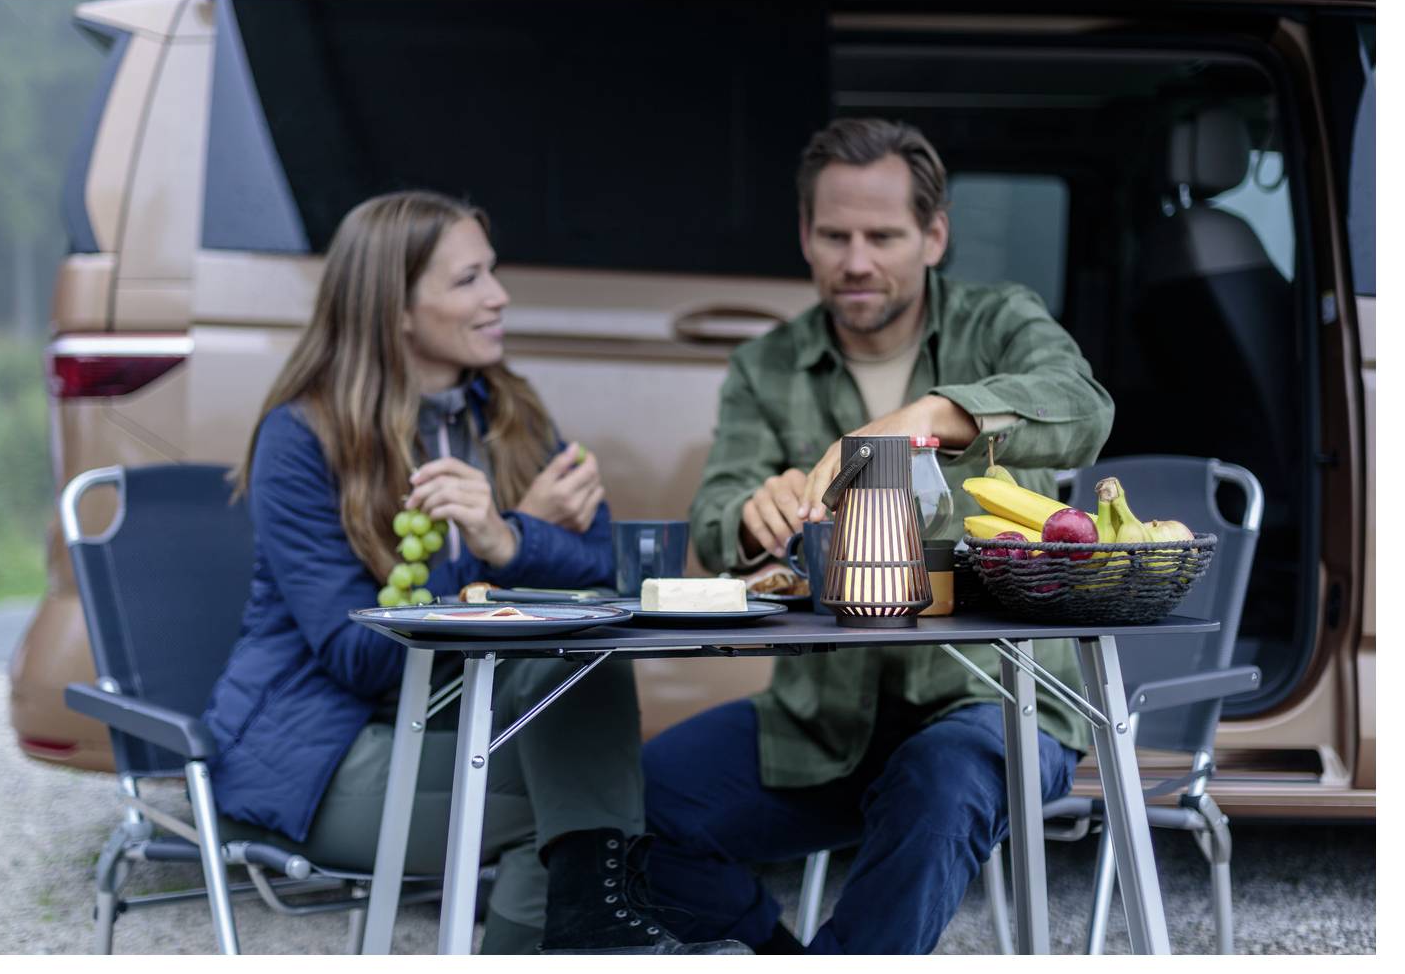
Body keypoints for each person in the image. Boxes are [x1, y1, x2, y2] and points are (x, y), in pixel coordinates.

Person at [200, 190, 746, 955]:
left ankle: (597, 931)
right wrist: (497, 549)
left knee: (580, 683)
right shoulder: (301, 438)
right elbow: (358, 659)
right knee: (581, 814)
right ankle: (602, 935)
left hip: (459, 723)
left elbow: (608, 579)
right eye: (468, 279)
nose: (499, 296)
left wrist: (510, 537)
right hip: (327, 752)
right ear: (394, 308)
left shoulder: (510, 410)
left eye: (491, 271)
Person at [640, 119, 1116, 953]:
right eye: (834, 236)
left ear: (934, 236)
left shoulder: (999, 319)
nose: (855, 260)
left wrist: (937, 412)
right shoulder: (765, 364)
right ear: (804, 236)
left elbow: (1083, 407)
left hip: (997, 702)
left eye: (882, 236)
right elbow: (717, 511)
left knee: (939, 778)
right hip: (824, 718)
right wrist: (753, 512)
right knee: (638, 801)